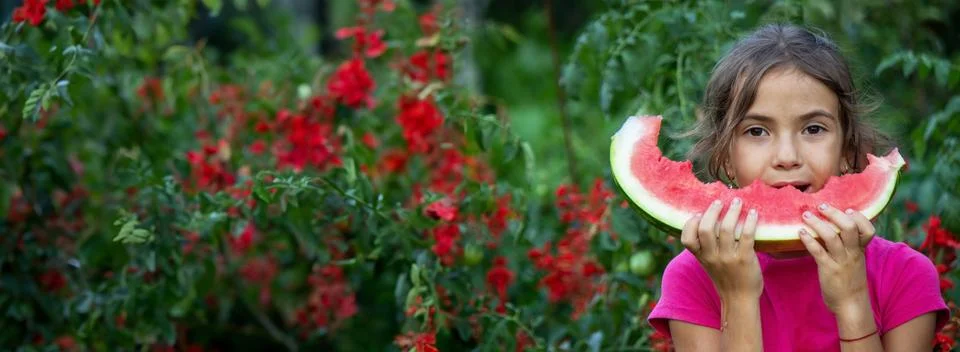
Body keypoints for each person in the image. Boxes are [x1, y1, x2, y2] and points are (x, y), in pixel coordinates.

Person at [646, 23, 950, 351]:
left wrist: (852, 302)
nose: (787, 157)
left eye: (814, 129)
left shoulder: (906, 276)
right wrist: (738, 297)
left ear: (848, 151)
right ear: (727, 157)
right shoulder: (693, 278)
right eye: (757, 131)